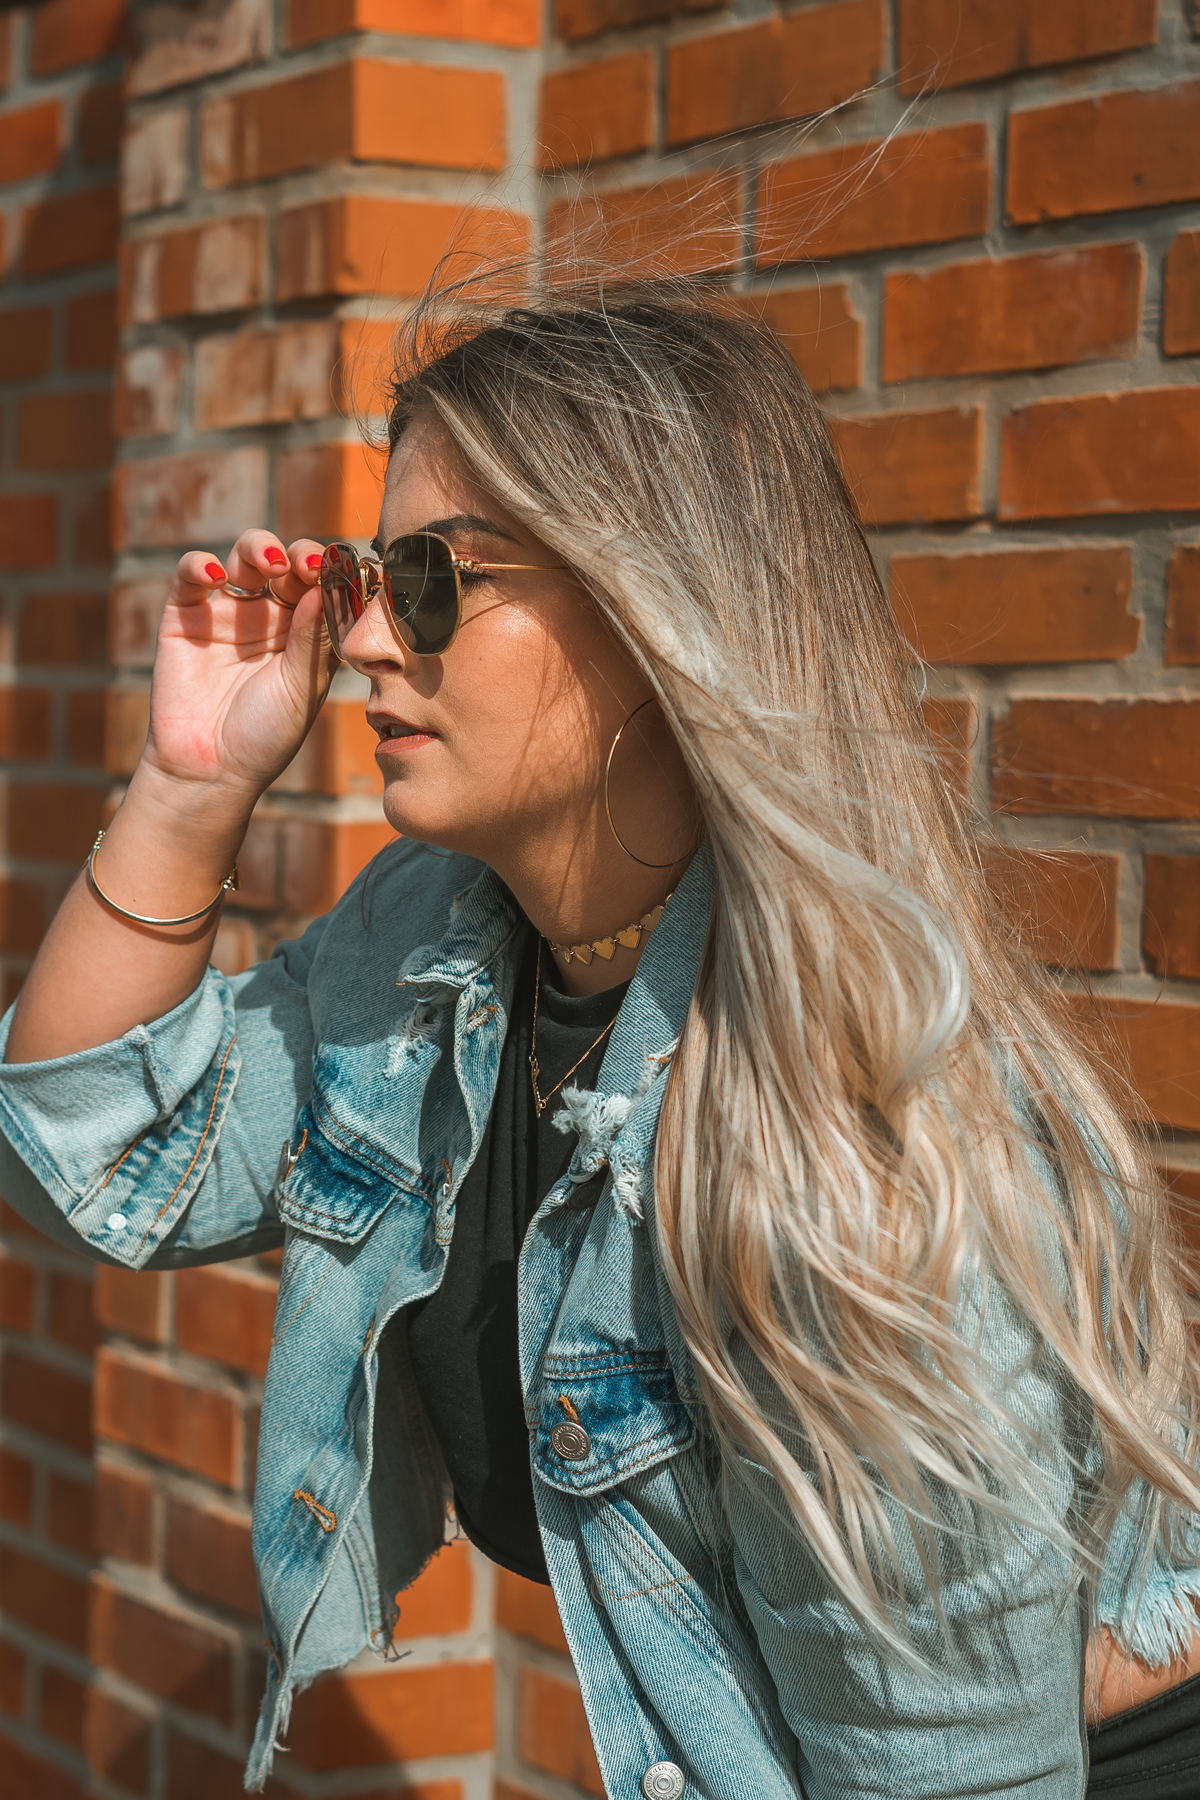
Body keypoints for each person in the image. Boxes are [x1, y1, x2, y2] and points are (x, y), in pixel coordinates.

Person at [1, 284, 1199, 1799]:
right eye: (367, 576)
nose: (361, 636)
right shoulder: (432, 942)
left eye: (431, 579)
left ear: (651, 612)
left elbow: (945, 1770)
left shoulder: (844, 1157)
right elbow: (101, 1159)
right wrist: (189, 787)